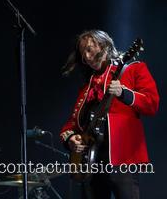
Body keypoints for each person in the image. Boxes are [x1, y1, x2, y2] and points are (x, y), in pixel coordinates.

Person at [60, 30, 159, 199]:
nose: (87, 57)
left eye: (89, 50)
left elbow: (152, 104)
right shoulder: (87, 88)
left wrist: (124, 93)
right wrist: (71, 139)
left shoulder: (133, 69)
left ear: (104, 45)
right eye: (83, 54)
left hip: (122, 160)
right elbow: (71, 125)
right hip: (90, 165)